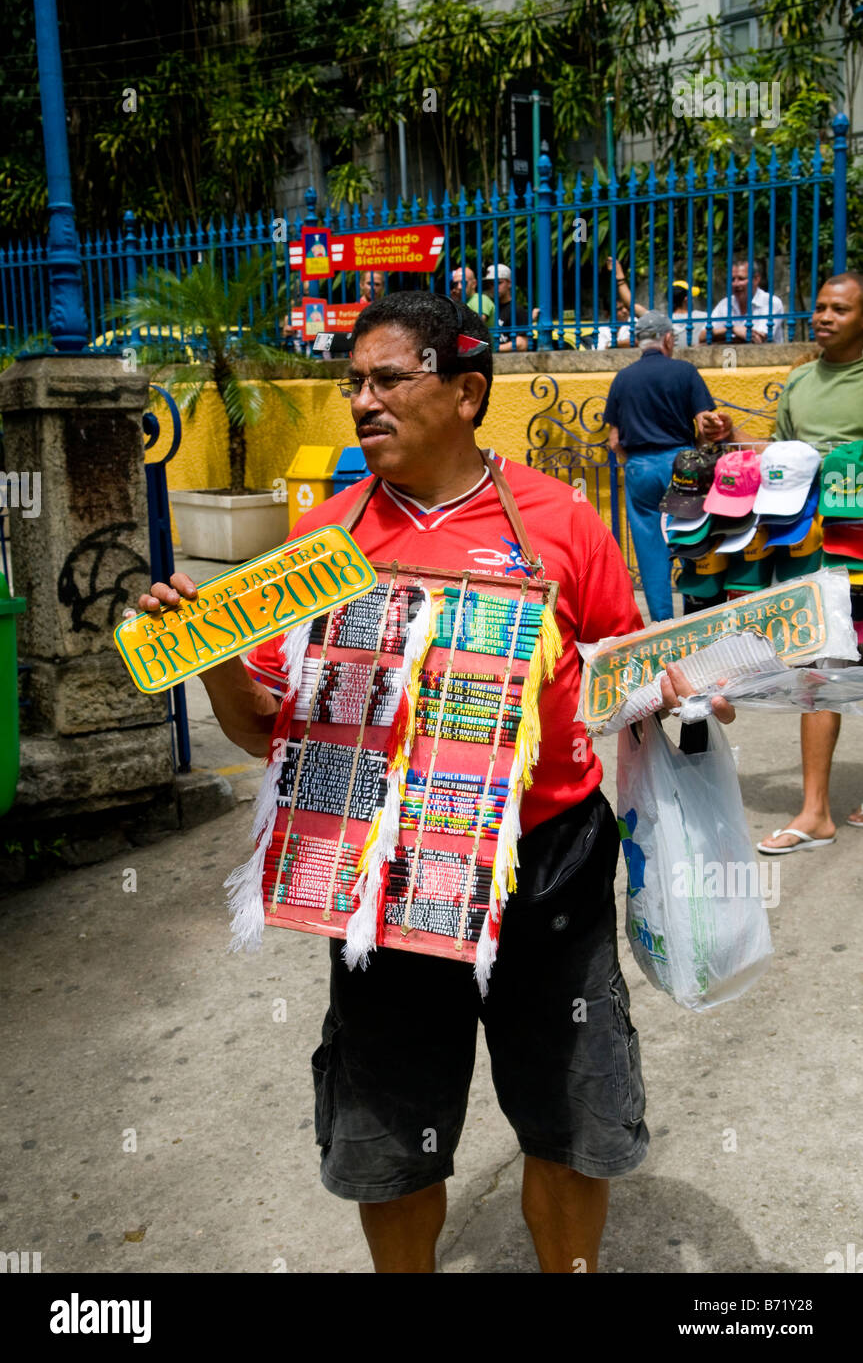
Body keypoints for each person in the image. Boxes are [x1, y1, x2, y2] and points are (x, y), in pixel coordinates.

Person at [139, 290, 733, 1274]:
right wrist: (205, 654)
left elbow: (622, 664)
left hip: (549, 867)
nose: (361, 401)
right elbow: (262, 734)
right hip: (384, 880)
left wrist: (681, 690)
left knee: (568, 1114)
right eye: (351, 383)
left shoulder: (561, 519)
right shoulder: (321, 546)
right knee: (389, 1127)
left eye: (386, 378)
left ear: (464, 391)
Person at [758, 272, 863, 853]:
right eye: (820, 306)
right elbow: (784, 460)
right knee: (816, 668)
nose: (824, 316)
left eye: (840, 309)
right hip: (812, 548)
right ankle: (814, 811)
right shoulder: (798, 379)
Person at [603, 310, 733, 622]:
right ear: (668, 338)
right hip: (682, 464)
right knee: (692, 538)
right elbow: (706, 423)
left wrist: (634, 461)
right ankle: (696, 611)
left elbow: (614, 441)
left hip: (640, 467)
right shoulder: (685, 371)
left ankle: (662, 622)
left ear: (638, 342)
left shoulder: (622, 379)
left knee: (649, 548)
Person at [698, 256, 785, 345]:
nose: (736, 284)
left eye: (741, 279)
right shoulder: (725, 304)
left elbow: (757, 339)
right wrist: (732, 329)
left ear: (756, 279)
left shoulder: (771, 303)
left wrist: (718, 337)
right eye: (732, 280)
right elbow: (702, 336)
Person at [483, 263, 529, 351]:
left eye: (499, 283)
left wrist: (494, 349)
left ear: (509, 283)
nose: (494, 287)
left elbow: (522, 343)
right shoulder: (489, 307)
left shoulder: (517, 310)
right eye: (491, 284)